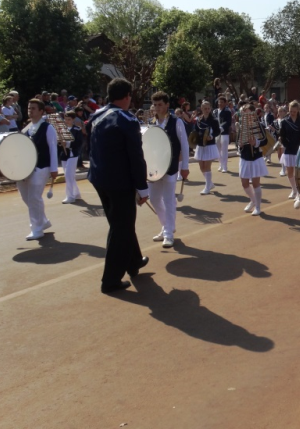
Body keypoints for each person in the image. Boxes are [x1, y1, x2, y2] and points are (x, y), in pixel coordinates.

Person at [88, 78, 150, 294]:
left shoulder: (96, 115)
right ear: (126, 96)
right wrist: (142, 187)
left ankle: (134, 261)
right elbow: (136, 157)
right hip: (120, 182)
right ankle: (111, 279)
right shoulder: (127, 120)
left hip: (100, 178)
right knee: (121, 228)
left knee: (120, 223)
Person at [148, 92, 190, 248]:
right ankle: (166, 226)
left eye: (160, 104)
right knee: (154, 198)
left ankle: (168, 234)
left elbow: (184, 145)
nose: (157, 108)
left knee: (168, 199)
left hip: (171, 166)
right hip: (154, 167)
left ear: (167, 105)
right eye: (155, 105)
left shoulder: (176, 122)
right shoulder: (151, 122)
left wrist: (185, 167)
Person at [18, 99, 58, 240]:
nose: (30, 111)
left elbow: (53, 148)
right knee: (26, 197)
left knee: (34, 197)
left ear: (41, 111)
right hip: (27, 168)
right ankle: (43, 221)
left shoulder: (48, 127)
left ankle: (37, 229)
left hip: (42, 166)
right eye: (29, 108)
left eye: (33, 108)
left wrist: (54, 168)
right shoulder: (26, 129)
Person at [238, 102, 269, 215]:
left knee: (256, 183)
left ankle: (258, 207)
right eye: (244, 114)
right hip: (244, 157)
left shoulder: (259, 125)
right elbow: (238, 141)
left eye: (248, 114)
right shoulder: (241, 127)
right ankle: (253, 200)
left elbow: (265, 141)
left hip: (256, 157)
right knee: (244, 183)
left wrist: (256, 142)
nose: (246, 116)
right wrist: (240, 145)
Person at [279, 100, 300, 202]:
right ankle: (294, 190)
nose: (292, 113)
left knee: (299, 172)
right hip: (288, 149)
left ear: (298, 111)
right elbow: (282, 136)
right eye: (291, 111)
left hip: (299, 149)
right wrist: (285, 143)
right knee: (290, 172)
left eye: (294, 111)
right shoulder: (284, 122)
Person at [194, 101, 220, 195]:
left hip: (210, 145)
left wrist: (211, 136)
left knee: (207, 166)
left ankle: (207, 187)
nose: (207, 110)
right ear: (201, 109)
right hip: (200, 145)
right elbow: (196, 131)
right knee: (202, 167)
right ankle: (210, 183)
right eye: (205, 108)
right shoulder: (199, 120)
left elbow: (217, 131)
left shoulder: (214, 120)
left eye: (208, 108)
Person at [60, 111, 84, 204]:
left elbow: (79, 143)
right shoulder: (62, 130)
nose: (67, 121)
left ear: (73, 119)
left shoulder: (77, 129)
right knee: (70, 176)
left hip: (73, 154)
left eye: (69, 119)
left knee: (68, 175)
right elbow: (58, 142)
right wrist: (60, 143)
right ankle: (76, 193)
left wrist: (68, 144)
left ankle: (70, 196)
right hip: (64, 154)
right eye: (65, 119)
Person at [214, 96, 234, 173]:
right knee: (218, 149)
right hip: (217, 133)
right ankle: (220, 164)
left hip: (224, 132)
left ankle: (225, 166)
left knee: (224, 150)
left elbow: (228, 122)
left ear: (225, 103)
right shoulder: (215, 111)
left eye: (222, 102)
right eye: (219, 102)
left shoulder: (227, 111)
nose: (220, 104)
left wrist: (221, 127)